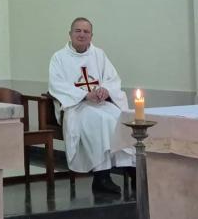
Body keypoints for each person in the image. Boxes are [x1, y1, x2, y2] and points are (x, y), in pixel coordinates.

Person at [48, 17, 135, 195]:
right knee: (100, 120)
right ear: (70, 34)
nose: (82, 35)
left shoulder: (99, 54)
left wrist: (105, 90)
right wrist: (84, 94)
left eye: (86, 31)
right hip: (76, 107)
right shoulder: (59, 57)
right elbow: (57, 85)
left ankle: (131, 169)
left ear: (91, 35)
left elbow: (112, 79)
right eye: (78, 31)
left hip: (100, 103)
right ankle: (101, 176)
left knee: (119, 118)